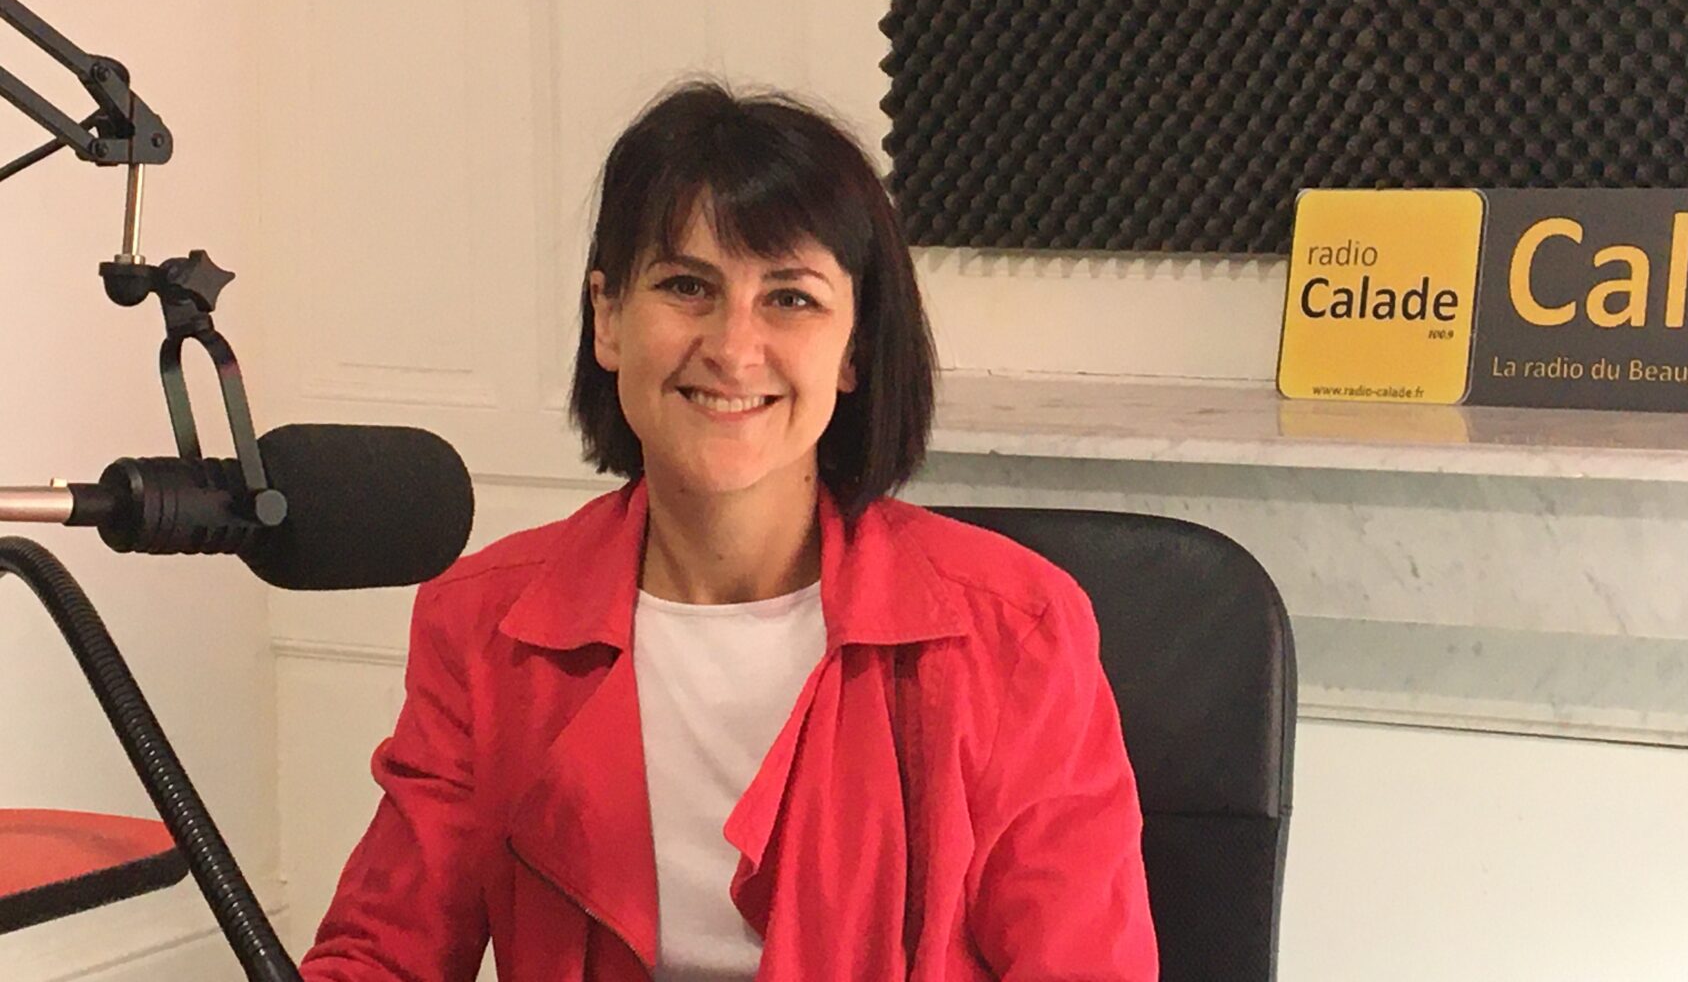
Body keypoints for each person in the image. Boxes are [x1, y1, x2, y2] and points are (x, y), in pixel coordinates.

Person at [299, 81, 1158, 981]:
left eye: (790, 298)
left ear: (856, 347)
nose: (733, 348)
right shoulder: (483, 626)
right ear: (608, 319)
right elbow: (383, 955)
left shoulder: (1015, 630)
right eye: (686, 287)